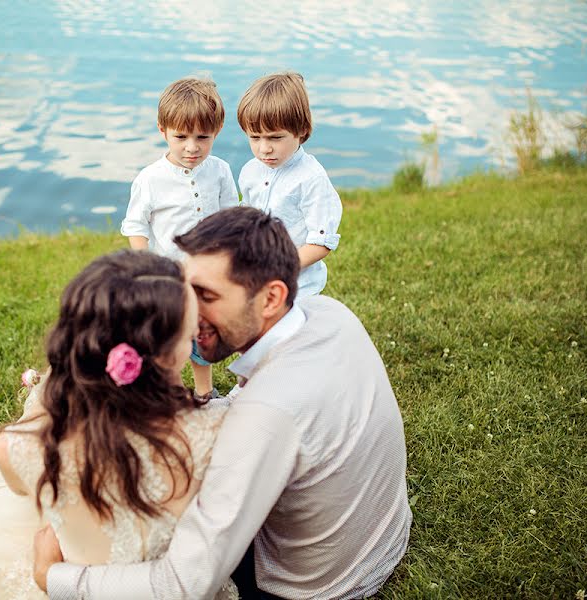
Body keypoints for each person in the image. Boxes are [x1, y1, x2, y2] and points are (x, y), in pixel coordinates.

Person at [36, 206, 412, 599]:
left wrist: (53, 577)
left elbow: (182, 585)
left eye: (206, 295)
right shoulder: (328, 313)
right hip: (383, 534)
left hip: (316, 585)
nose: (185, 310)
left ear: (271, 298)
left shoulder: (266, 417)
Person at [0, 250, 237, 599]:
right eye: (189, 333)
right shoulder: (215, 434)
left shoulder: (16, 448)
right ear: (172, 354)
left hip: (68, 586)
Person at [121, 76, 240, 399]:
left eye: (203, 137)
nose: (192, 147)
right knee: (169, 336)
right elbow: (135, 224)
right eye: (181, 136)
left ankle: (204, 392)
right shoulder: (151, 179)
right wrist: (145, 264)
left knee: (202, 335)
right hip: (168, 276)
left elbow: (231, 216)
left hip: (207, 275)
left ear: (216, 131)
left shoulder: (219, 171)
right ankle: (168, 390)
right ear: (163, 130)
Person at [237, 71, 343, 297]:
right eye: (255, 137)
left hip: (299, 285)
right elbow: (248, 213)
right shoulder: (250, 171)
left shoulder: (311, 179)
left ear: (302, 130)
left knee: (294, 331)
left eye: (275, 138)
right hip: (258, 277)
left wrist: (282, 267)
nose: (264, 148)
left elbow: (321, 242)